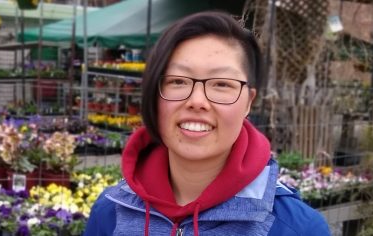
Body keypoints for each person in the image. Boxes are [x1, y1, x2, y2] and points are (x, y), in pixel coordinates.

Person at [83, 11, 330, 236]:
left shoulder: (297, 228)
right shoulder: (110, 213)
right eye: (178, 81)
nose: (197, 101)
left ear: (248, 103)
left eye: (222, 84)